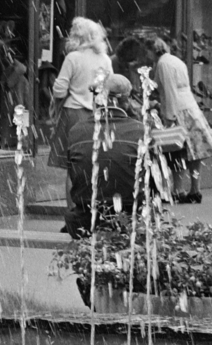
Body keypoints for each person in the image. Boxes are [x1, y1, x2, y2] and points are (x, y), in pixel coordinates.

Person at [63, 73, 145, 236]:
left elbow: (72, 179)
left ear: (96, 101)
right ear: (127, 102)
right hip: (128, 221)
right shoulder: (141, 132)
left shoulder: (77, 131)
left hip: (85, 222)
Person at [152, 35, 212, 204]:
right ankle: (195, 189)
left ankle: (178, 189)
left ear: (152, 51)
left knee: (176, 152)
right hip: (190, 107)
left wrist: (169, 116)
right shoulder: (176, 61)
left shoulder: (163, 64)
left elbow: (169, 91)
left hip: (178, 110)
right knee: (194, 152)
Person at [49, 17, 113, 166]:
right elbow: (109, 86)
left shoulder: (73, 58)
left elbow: (59, 91)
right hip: (97, 115)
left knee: (72, 165)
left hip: (73, 114)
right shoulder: (105, 59)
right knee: (93, 162)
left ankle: (72, 190)